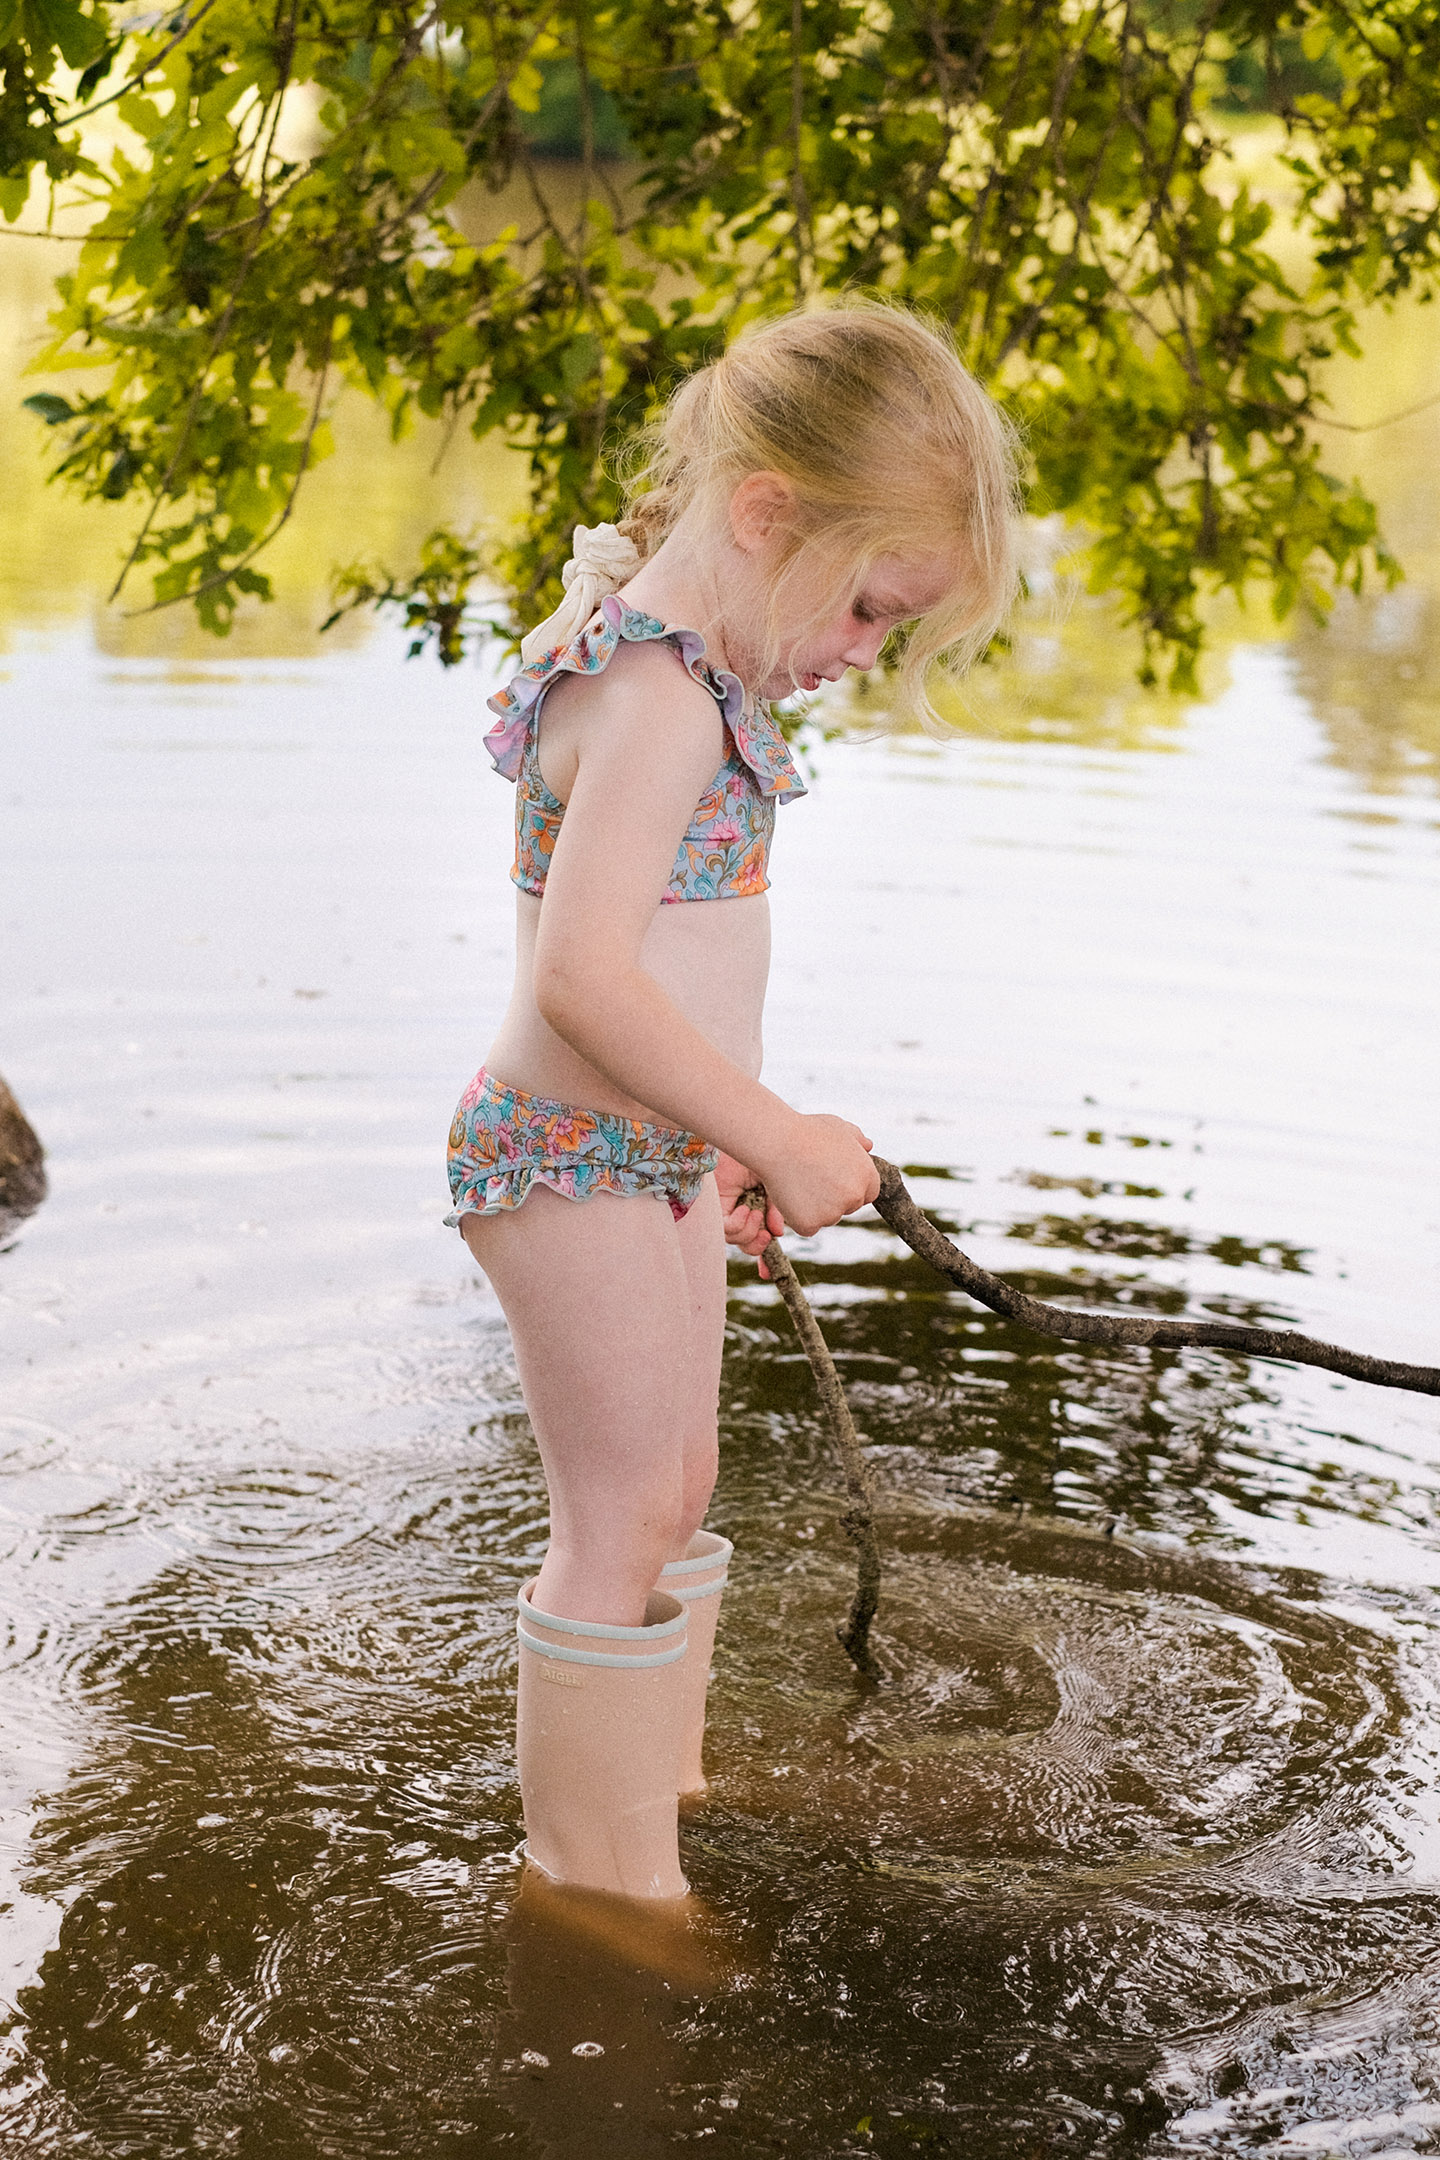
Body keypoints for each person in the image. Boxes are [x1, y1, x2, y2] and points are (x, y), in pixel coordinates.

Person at [447, 301, 1021, 1905]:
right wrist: (774, 1132)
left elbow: (676, 978)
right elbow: (583, 979)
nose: (859, 653)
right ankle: (596, 1882)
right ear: (767, 512)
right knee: (619, 1512)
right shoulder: (661, 700)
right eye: (866, 606)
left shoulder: (686, 672)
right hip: (566, 1158)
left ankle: (655, 1784)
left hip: (649, 1152)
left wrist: (722, 1136)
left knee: (676, 1490)